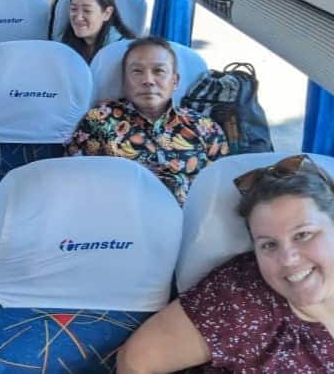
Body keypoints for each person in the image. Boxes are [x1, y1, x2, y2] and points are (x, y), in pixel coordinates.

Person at [117, 154, 334, 372]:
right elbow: (136, 362)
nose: (288, 258)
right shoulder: (242, 298)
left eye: (303, 235)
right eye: (268, 245)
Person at [65, 36, 228, 204]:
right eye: (137, 71)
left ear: (175, 81)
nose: (148, 81)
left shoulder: (206, 129)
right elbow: (75, 179)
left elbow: (219, 193)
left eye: (159, 71)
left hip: (184, 224)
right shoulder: (99, 119)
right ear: (124, 80)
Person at [62, 0, 136, 63]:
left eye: (87, 10)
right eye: (73, 9)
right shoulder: (67, 42)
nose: (79, 17)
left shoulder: (122, 52)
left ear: (107, 13)